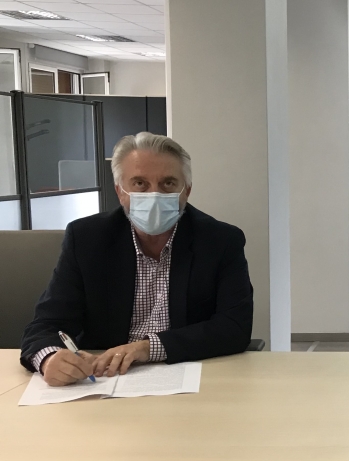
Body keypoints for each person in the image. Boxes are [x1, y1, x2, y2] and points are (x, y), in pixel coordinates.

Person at [20, 132, 254, 386]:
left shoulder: (221, 241)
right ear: (120, 191)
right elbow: (47, 324)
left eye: (168, 183)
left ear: (186, 191)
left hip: (191, 377)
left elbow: (235, 327)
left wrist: (148, 348)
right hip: (103, 380)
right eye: (140, 183)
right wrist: (49, 358)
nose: (154, 195)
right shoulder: (86, 239)